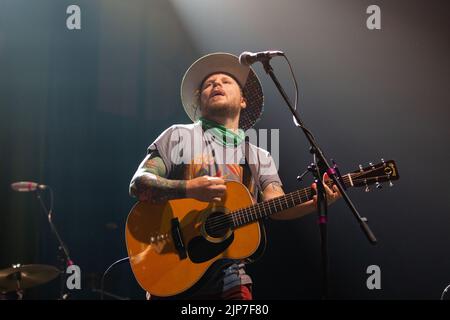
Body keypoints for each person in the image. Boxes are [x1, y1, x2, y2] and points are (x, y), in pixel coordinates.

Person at [129, 53, 341, 300]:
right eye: (208, 84)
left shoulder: (258, 155)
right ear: (200, 100)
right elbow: (139, 184)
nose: (216, 85)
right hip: (172, 272)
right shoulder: (178, 135)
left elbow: (275, 206)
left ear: (243, 100)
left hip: (231, 279)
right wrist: (189, 189)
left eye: (226, 81)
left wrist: (316, 202)